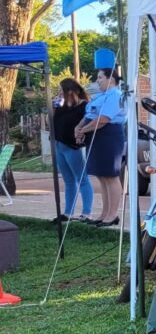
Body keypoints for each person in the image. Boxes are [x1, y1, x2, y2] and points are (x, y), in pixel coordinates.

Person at [74, 67, 125, 227]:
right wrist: (79, 127)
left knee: (111, 176)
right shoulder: (100, 96)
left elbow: (103, 119)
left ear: (111, 79)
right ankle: (104, 213)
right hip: (95, 135)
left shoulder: (115, 95)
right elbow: (89, 115)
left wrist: (83, 130)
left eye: (100, 77)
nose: (97, 81)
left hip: (109, 136)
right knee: (102, 177)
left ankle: (112, 215)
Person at [52, 78, 94, 223]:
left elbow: (88, 122)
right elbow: (51, 122)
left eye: (61, 90)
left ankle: (87, 212)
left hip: (73, 147)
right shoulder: (61, 106)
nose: (59, 93)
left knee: (82, 179)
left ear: (70, 91)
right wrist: (54, 106)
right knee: (68, 181)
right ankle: (68, 212)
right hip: (59, 145)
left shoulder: (84, 106)